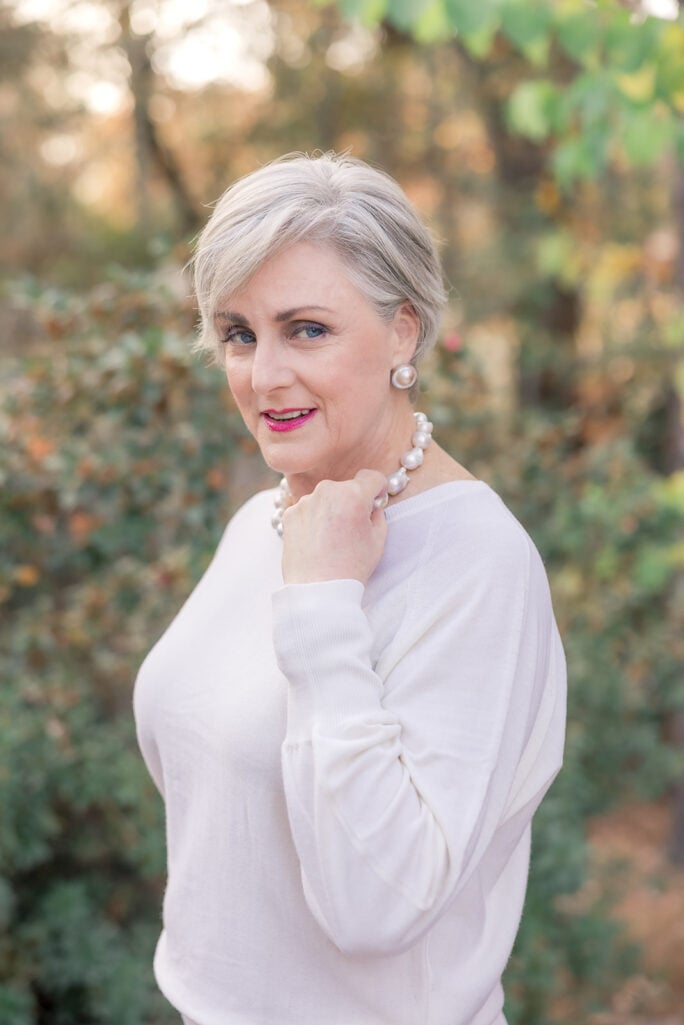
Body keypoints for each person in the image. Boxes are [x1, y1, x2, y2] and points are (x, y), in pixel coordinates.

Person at [133, 151, 566, 1025]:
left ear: (403, 331)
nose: (262, 377)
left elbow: (378, 907)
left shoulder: (479, 563)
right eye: (238, 333)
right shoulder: (260, 525)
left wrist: (325, 605)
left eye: (307, 329)